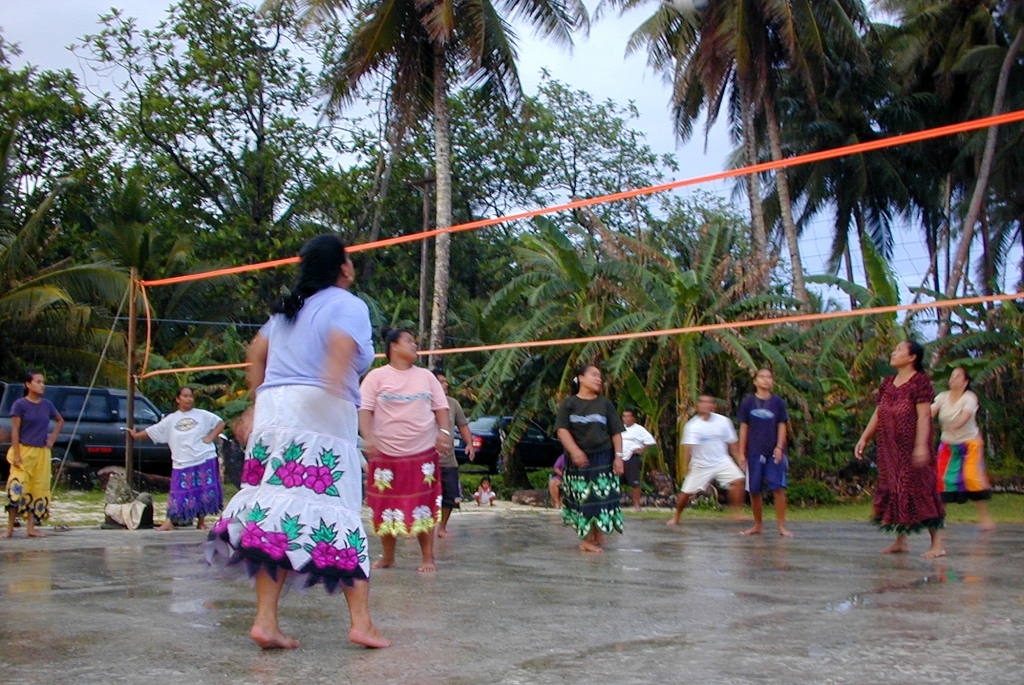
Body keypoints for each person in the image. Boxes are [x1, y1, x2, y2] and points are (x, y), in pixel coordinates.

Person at [206, 234, 389, 650]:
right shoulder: (348, 304)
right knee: (336, 512)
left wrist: (254, 406)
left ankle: (265, 622)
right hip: (318, 410)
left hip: (275, 411)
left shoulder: (289, 309)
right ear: (343, 266)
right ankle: (362, 622)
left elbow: (256, 354)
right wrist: (331, 384)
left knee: (275, 517)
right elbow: (341, 349)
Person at [360, 329, 451, 572]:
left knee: (424, 505)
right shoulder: (375, 377)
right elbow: (364, 411)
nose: (414, 345)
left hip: (422, 452)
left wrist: (444, 433)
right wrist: (368, 438)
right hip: (385, 453)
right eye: (409, 341)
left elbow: (441, 408)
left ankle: (428, 557)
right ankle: (388, 556)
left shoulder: (427, 377)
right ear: (393, 346)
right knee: (384, 506)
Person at [855, 340, 945, 558]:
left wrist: (922, 446)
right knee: (894, 489)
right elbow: (879, 412)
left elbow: (924, 415)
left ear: (912, 357)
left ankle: (937, 544)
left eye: (898, 350)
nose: (893, 353)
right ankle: (900, 541)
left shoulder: (920, 382)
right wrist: (864, 437)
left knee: (920, 489)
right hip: (889, 448)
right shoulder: (887, 382)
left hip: (912, 447)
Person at [128, 387, 224, 531]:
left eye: (190, 396)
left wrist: (210, 437)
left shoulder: (202, 415)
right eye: (185, 396)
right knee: (178, 491)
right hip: (182, 461)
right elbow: (154, 430)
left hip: (204, 457)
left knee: (202, 491)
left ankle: (201, 521)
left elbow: (220, 423)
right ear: (178, 399)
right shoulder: (171, 419)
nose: (188, 399)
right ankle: (169, 521)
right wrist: (136, 435)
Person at [555, 364, 624, 553]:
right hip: (579, 461)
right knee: (586, 499)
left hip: (603, 457)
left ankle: (596, 533)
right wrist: (575, 451)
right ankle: (586, 540)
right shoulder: (569, 404)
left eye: (600, 376)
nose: (598, 379)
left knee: (602, 499)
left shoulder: (605, 404)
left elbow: (616, 432)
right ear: (581, 378)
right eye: (594, 375)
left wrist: (618, 457)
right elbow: (562, 430)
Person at [667, 393, 745, 527]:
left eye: (709, 402)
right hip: (701, 464)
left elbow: (732, 442)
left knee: (738, 480)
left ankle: (736, 512)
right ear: (697, 406)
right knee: (686, 492)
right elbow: (688, 449)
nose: (706, 405)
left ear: (714, 406)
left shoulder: (723, 421)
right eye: (703, 402)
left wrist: (739, 458)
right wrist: (685, 468)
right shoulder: (692, 426)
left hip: (722, 460)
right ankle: (676, 516)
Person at [932, 367, 994, 530]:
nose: (953, 379)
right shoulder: (942, 397)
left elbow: (965, 417)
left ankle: (985, 518)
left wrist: (955, 425)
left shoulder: (970, 398)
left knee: (972, 478)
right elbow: (930, 412)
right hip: (948, 445)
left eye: (958, 376)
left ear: (965, 382)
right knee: (942, 480)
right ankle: (940, 518)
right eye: (952, 376)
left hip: (969, 444)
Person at [3, 371, 63, 538]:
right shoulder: (20, 405)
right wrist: (16, 453)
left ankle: (31, 527)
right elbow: (15, 430)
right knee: (17, 487)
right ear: (28, 384)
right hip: (23, 450)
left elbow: (60, 420)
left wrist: (52, 438)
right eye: (38, 382)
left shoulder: (46, 405)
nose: (42, 385)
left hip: (41, 452)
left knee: (37, 489)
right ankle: (9, 528)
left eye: (43, 382)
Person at [737, 369, 792, 537]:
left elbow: (782, 425)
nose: (766, 380)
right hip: (754, 451)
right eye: (762, 377)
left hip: (773, 452)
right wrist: (741, 452)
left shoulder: (777, 403)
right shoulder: (748, 402)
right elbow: (744, 428)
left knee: (778, 488)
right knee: (754, 490)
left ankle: (781, 526)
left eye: (769, 377)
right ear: (755, 381)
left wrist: (779, 447)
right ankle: (758, 524)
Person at [433, 370, 474, 538]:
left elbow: (463, 426)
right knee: (422, 496)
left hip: (448, 460)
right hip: (426, 459)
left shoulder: (453, 404)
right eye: (441, 382)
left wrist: (469, 444)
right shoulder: (422, 403)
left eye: (446, 382)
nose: (446, 384)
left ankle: (442, 528)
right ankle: (419, 528)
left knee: (450, 496)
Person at [620, 408, 656, 511]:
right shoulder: (619, 428)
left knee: (634, 482)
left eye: (628, 416)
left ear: (633, 418)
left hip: (631, 457)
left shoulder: (639, 429)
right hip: (619, 457)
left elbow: (649, 441)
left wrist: (641, 450)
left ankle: (637, 504)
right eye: (624, 416)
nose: (626, 419)